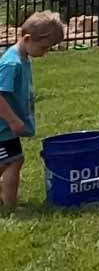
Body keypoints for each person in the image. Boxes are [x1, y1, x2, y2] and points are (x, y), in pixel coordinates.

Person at [0, 12, 66, 212]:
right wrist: (12, 120)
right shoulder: (12, 63)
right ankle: (10, 206)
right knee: (14, 161)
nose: (45, 53)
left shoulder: (23, 58)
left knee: (8, 161)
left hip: (7, 127)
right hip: (3, 127)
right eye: (44, 47)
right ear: (27, 39)